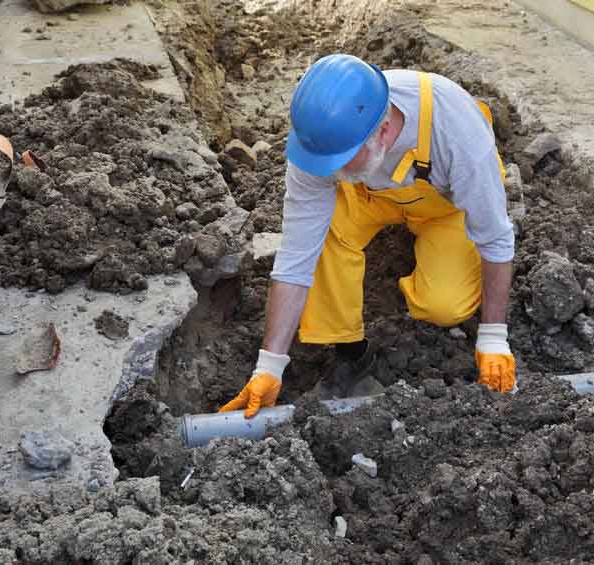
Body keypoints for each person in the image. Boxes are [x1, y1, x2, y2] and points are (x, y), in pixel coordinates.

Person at [219, 53, 516, 418]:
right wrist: (269, 366)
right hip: (367, 194)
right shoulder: (322, 145)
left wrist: (493, 337)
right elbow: (297, 257)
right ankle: (349, 351)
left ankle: (416, 265)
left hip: (445, 208)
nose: (329, 170)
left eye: (341, 160)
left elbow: (496, 239)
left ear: (385, 131)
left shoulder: (457, 134)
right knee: (326, 232)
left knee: (444, 305)